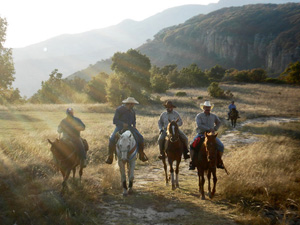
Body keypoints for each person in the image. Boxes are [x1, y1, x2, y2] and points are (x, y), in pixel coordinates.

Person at [105, 97, 148, 164]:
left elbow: (134, 120)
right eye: (133, 104)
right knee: (112, 138)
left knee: (140, 137)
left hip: (130, 127)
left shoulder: (132, 111)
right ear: (129, 104)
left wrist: (134, 125)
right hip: (119, 127)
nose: (133, 105)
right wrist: (122, 124)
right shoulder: (119, 110)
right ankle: (110, 156)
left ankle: (141, 154)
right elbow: (115, 120)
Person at [189, 100, 224, 170]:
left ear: (210, 108)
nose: (208, 109)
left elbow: (219, 122)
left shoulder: (214, 116)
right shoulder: (199, 116)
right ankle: (192, 162)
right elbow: (199, 125)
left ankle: (219, 162)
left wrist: (215, 128)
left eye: (209, 107)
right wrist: (209, 129)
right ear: (203, 108)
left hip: (211, 136)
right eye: (206, 107)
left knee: (221, 146)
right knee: (192, 145)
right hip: (201, 134)